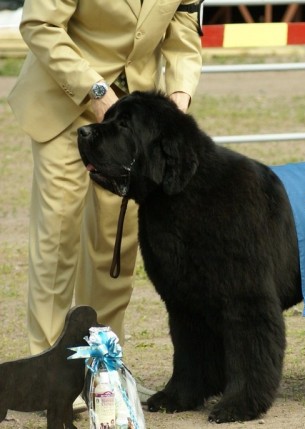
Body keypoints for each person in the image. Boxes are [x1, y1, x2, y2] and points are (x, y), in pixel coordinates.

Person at [7, 0, 203, 403]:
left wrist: (179, 98)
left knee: (115, 247)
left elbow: (183, 22)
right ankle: (53, 375)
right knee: (58, 239)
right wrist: (95, 91)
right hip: (65, 99)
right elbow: (39, 24)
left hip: (131, 119)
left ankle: (103, 373)